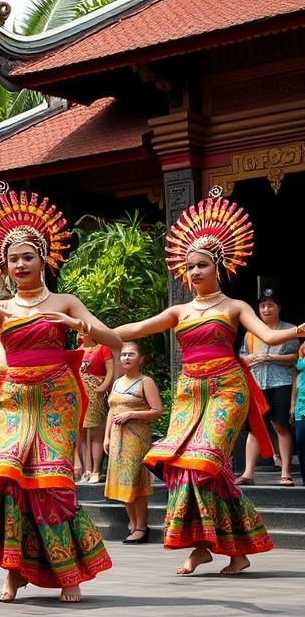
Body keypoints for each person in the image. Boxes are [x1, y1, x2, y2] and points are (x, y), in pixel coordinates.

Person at [0, 188, 119, 603]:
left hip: (56, 396)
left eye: (27, 257)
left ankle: (68, 570)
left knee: (52, 482)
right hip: (13, 399)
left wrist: (76, 325)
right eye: (13, 259)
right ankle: (14, 571)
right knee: (1, 477)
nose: (19, 264)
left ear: (43, 260)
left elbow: (111, 337)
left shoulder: (65, 301)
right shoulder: (1, 307)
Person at [115, 191, 296, 575]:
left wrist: (298, 329)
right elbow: (138, 328)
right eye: (189, 266)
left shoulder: (234, 306)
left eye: (201, 265)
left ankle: (213, 545)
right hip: (189, 393)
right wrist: (96, 329)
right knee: (186, 467)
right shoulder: (179, 310)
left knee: (204, 462)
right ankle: (214, 547)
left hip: (227, 390)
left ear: (218, 267)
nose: (193, 272)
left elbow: (269, 335)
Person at [236, 290, 298, 486]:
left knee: (280, 426)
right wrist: (248, 359)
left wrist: (271, 357)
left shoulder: (290, 330)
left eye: (270, 305)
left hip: (280, 383)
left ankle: (285, 472)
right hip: (256, 384)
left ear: (278, 308)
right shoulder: (251, 333)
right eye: (262, 305)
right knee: (254, 428)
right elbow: (241, 356)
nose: (266, 309)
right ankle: (247, 473)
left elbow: (296, 357)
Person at [103, 341, 163, 543]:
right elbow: (112, 410)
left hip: (136, 439)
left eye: (131, 354)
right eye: (123, 355)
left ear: (141, 359)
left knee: (135, 482)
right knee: (121, 482)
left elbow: (157, 411)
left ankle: (140, 526)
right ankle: (132, 523)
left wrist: (131, 414)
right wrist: (107, 436)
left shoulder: (146, 382)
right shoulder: (118, 382)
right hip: (117, 439)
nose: (126, 358)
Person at [77, 334, 114, 483]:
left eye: (83, 331)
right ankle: (86, 469)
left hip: (95, 391)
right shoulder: (78, 350)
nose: (80, 334)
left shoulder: (102, 349)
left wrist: (103, 386)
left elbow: (110, 370)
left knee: (95, 433)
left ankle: (96, 470)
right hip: (81, 393)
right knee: (83, 433)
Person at [291, 343, 305, 485]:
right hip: (301, 407)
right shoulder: (299, 369)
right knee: (300, 441)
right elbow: (295, 383)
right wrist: (292, 405)